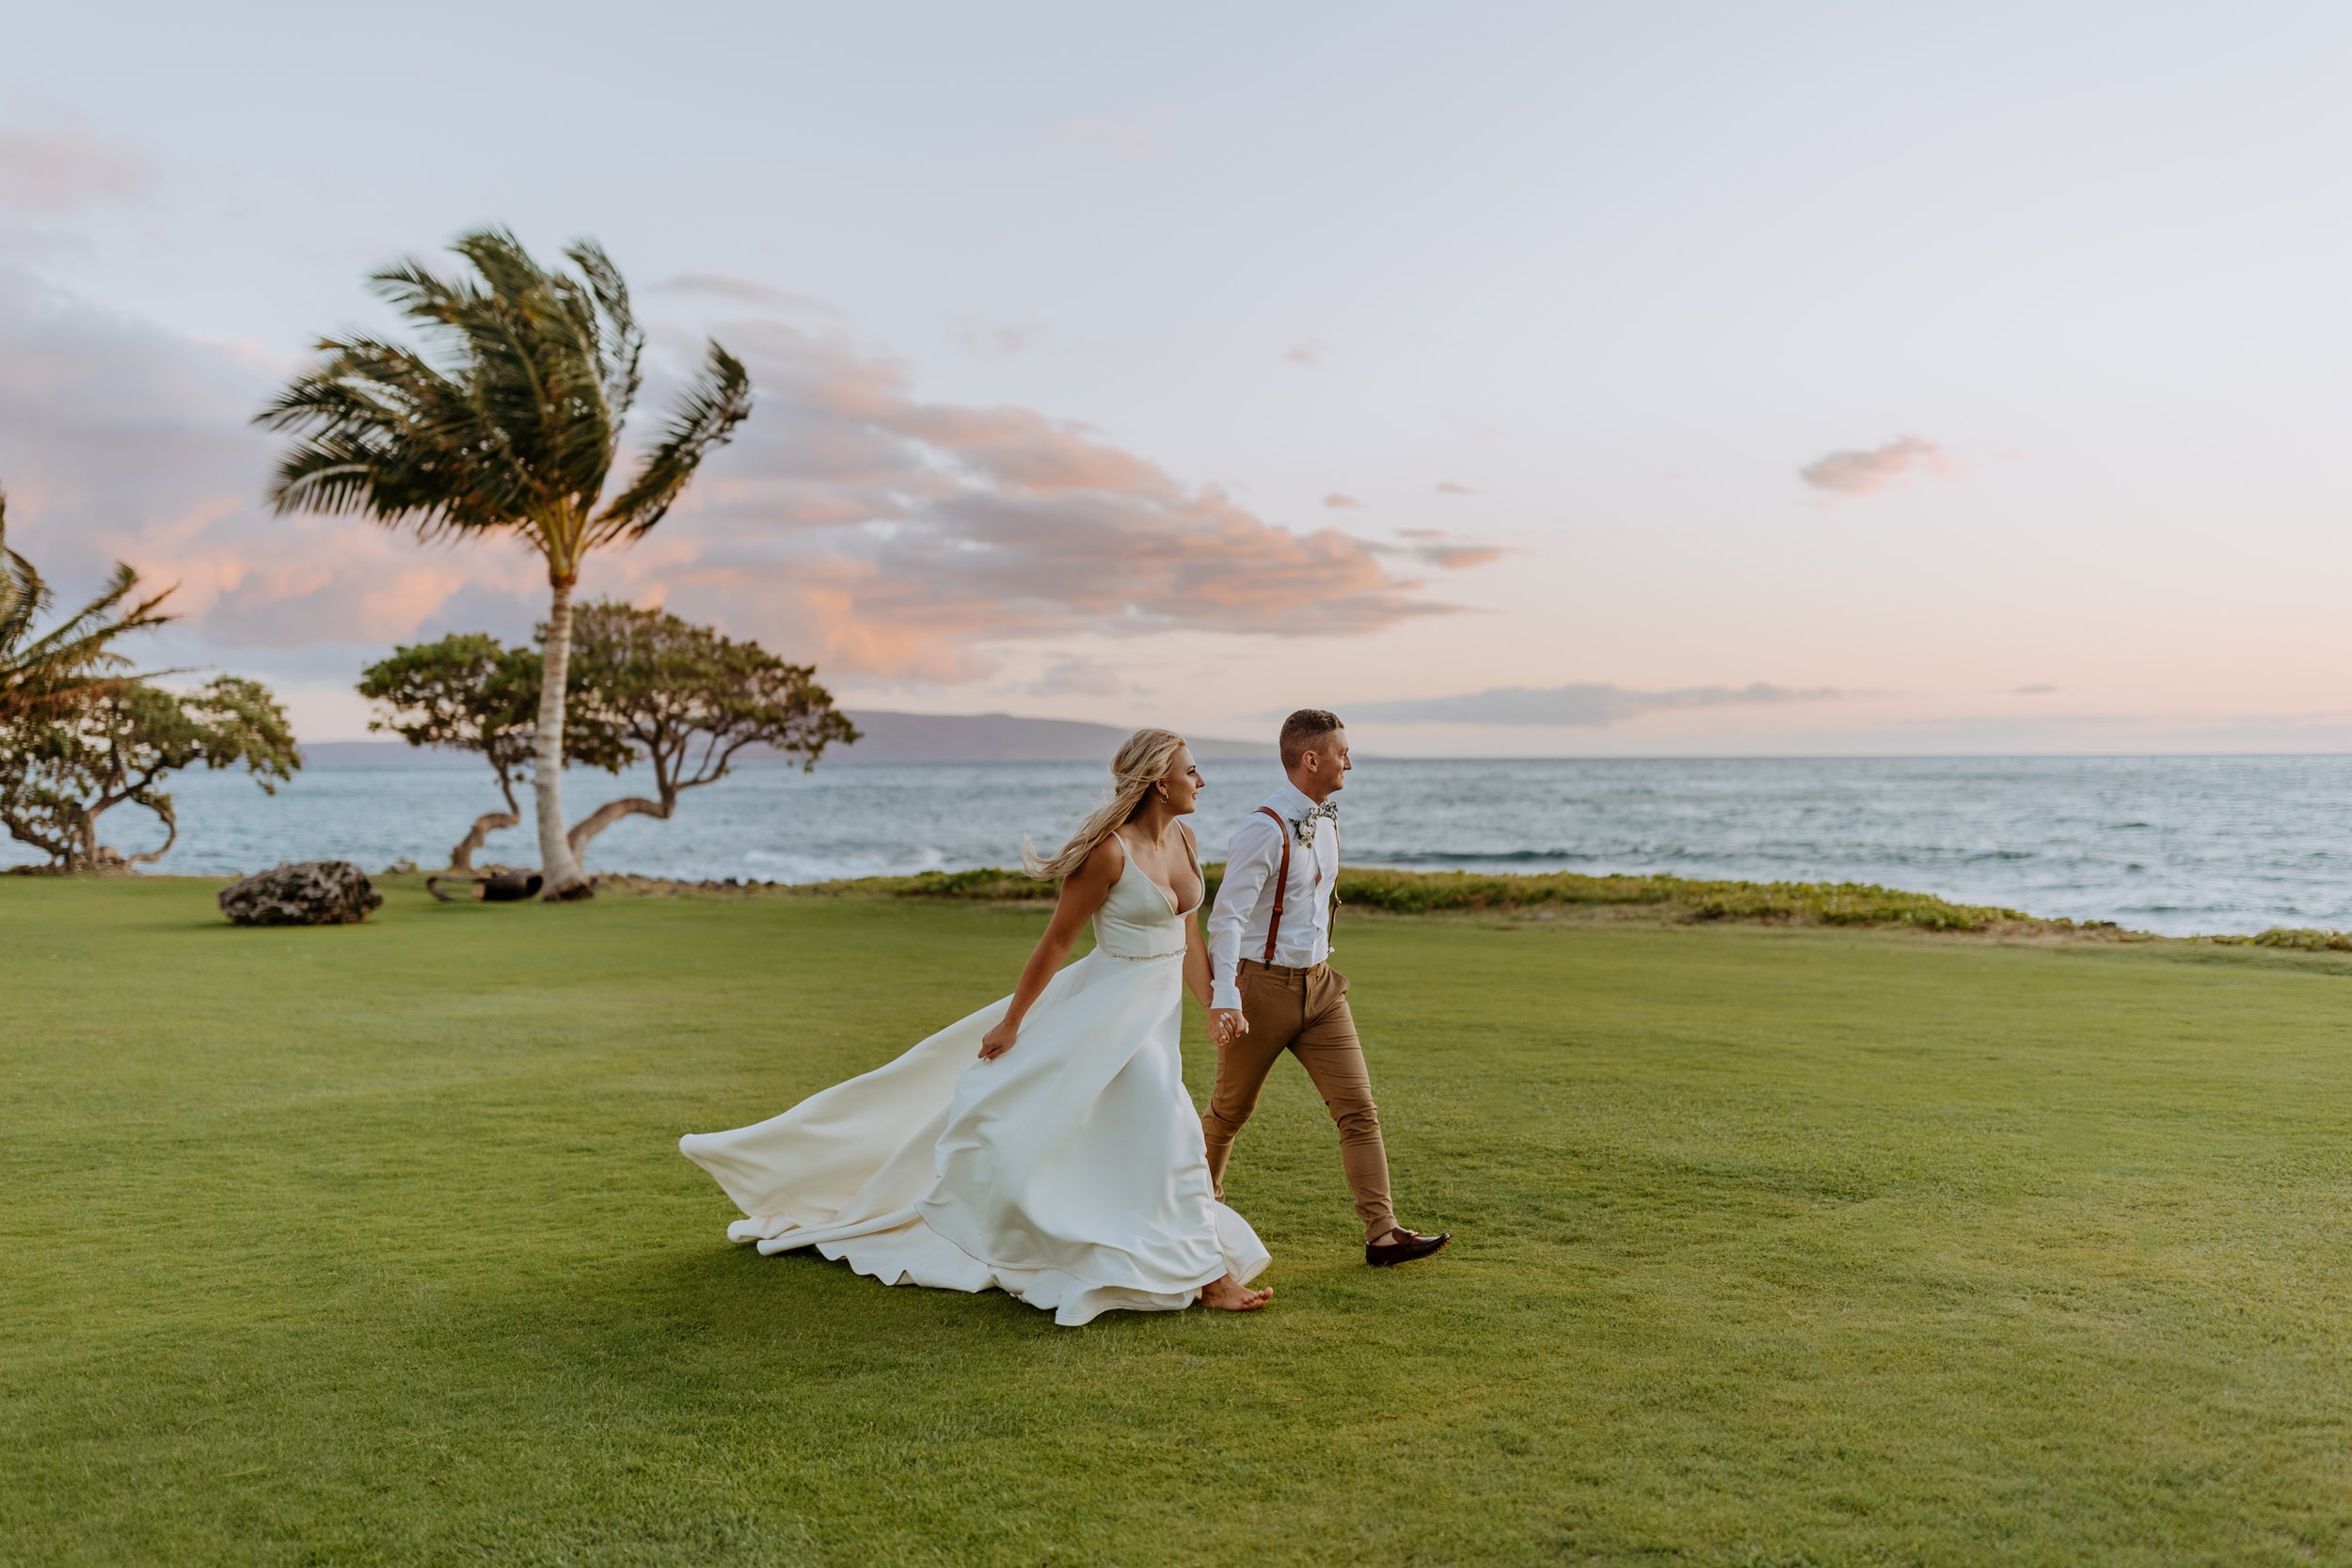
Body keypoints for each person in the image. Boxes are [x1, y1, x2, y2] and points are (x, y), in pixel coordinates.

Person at [679, 728, 1273, 1325]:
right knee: (1171, 1124)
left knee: (1136, 1132)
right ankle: (1209, 1277)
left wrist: (1216, 1003)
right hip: (1107, 1010)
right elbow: (1057, 943)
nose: (1201, 781)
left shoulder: (1187, 840)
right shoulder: (1108, 853)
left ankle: (1148, 1245)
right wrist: (1013, 1022)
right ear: (1157, 782)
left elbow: (1187, 939)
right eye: (1192, 771)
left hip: (1158, 1013)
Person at [1203, 708, 1451, 1266]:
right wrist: (1224, 996)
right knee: (1228, 1114)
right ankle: (1195, 1220)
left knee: (1358, 1109)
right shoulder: (1262, 829)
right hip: (1260, 991)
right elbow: (1226, 920)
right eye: (1343, 753)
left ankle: (1382, 1234)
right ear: (1311, 759)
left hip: (1321, 990)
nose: (1350, 762)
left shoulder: (1327, 819)